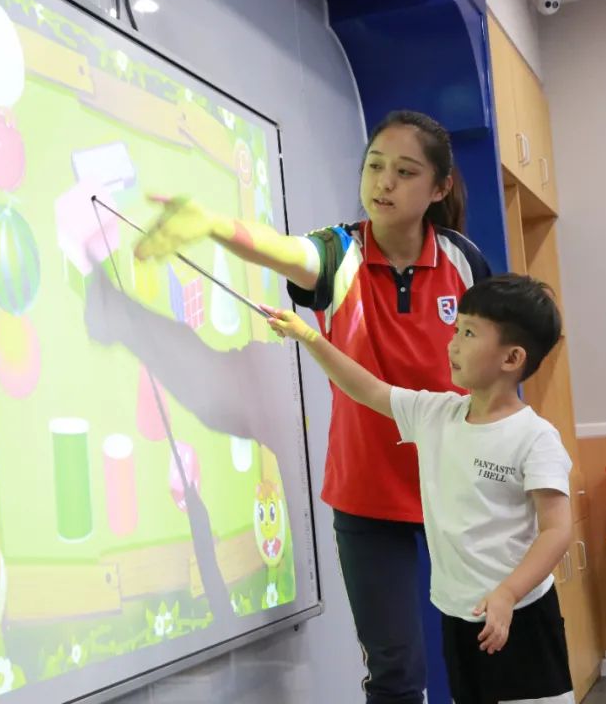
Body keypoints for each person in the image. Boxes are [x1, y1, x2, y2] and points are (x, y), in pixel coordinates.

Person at [135, 110, 491, 703]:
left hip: (459, 490)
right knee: (397, 673)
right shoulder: (339, 252)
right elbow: (282, 250)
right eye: (375, 166)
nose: (384, 182)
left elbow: (497, 365)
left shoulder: (463, 261)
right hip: (368, 495)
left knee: (486, 658)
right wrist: (212, 225)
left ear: (439, 188)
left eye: (405, 172)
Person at [263, 273, 575, 704]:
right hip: (459, 613)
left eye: (469, 333)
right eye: (456, 329)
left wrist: (508, 593)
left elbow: (557, 530)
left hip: (520, 614)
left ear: (512, 358)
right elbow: (367, 388)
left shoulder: (535, 437)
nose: (453, 344)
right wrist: (308, 337)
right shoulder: (436, 414)